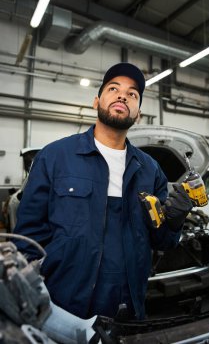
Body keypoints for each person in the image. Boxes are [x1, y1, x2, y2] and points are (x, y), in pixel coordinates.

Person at [14, 62, 193, 323]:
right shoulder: (54, 157)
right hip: (64, 305)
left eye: (133, 94)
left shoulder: (150, 169)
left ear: (138, 114)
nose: (123, 95)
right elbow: (28, 240)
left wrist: (175, 219)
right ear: (97, 100)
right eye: (113, 88)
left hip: (129, 306)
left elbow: (161, 241)